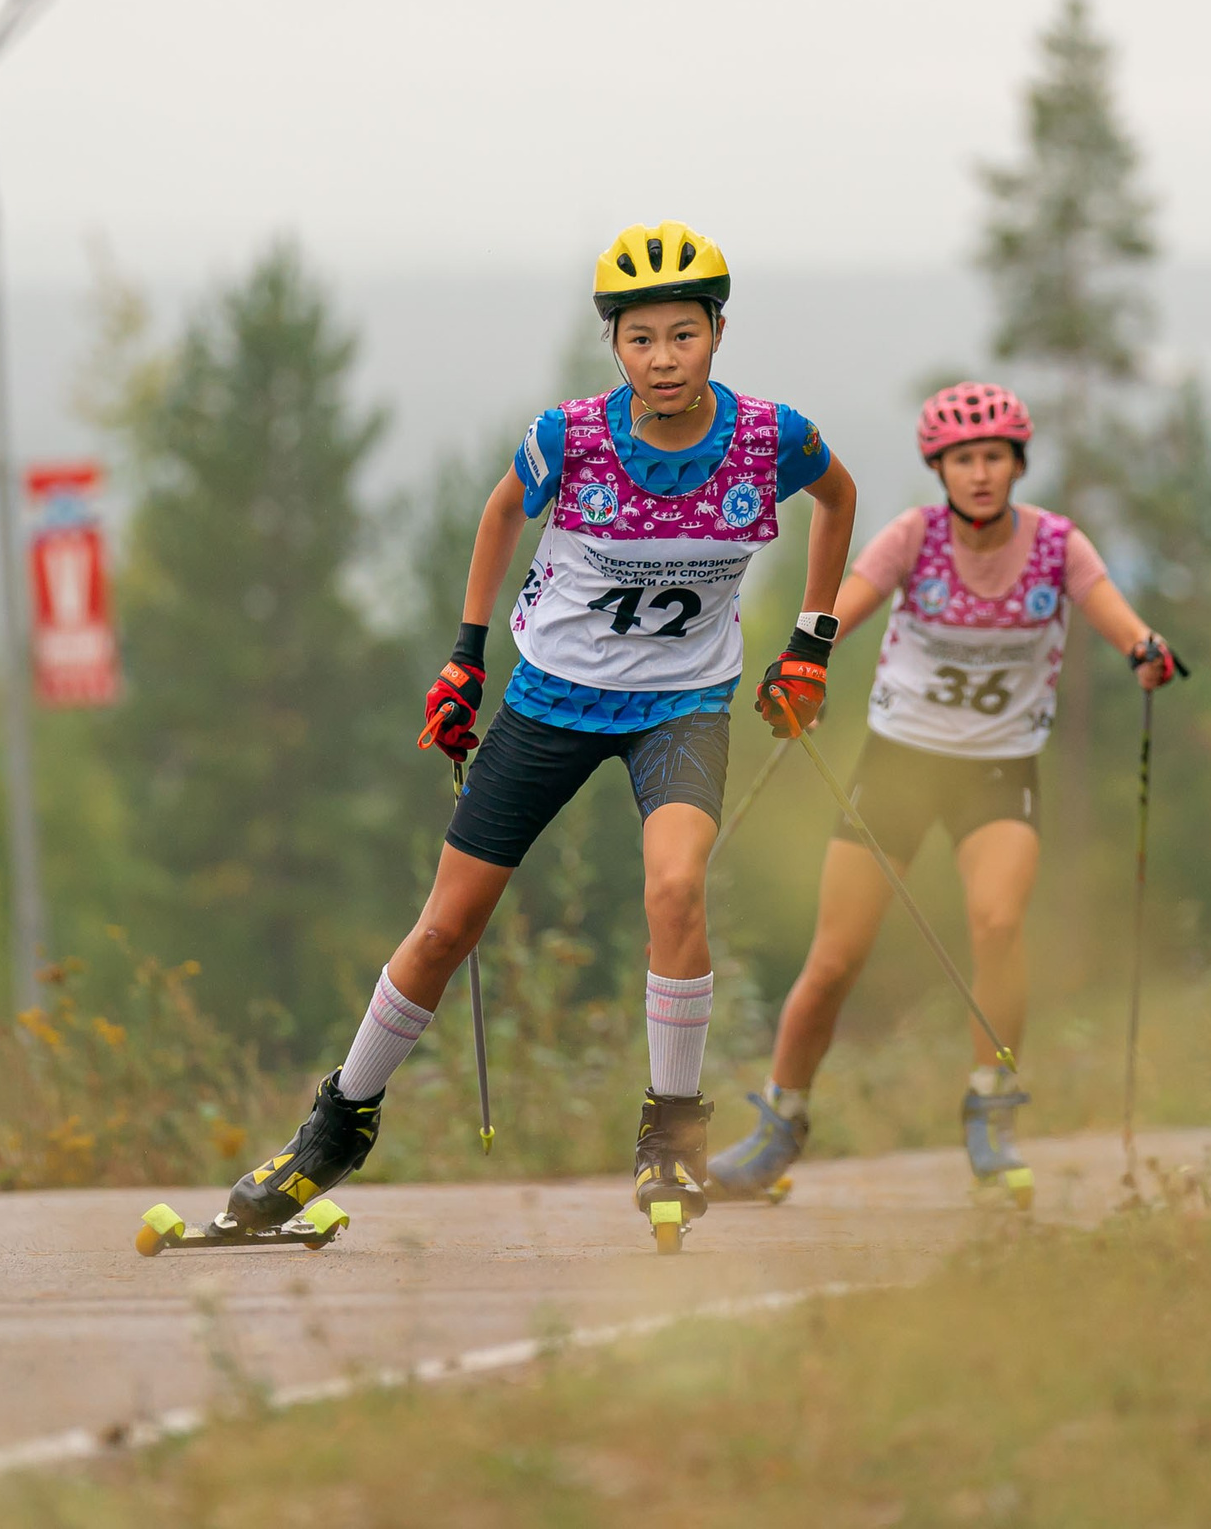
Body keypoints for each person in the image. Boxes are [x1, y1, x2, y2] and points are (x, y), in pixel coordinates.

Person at [221, 221, 856, 1249]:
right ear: (615, 345)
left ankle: (672, 1134)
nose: (662, 359)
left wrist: (811, 644)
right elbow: (501, 513)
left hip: (682, 706)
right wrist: (466, 658)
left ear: (717, 334)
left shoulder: (769, 438)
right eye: (640, 338)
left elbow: (838, 498)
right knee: (446, 927)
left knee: (677, 886)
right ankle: (334, 1129)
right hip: (552, 699)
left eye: (683, 336)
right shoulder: (572, 436)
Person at [708, 382, 1181, 1206]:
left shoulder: (1056, 546)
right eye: (963, 459)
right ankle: (779, 1124)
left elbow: (1113, 611)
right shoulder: (914, 538)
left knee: (998, 923)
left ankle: (991, 1115)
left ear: (1017, 464)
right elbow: (839, 608)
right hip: (900, 763)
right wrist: (799, 661)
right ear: (941, 469)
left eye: (995, 456)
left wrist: (1144, 647)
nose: (981, 473)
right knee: (835, 957)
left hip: (999, 771)